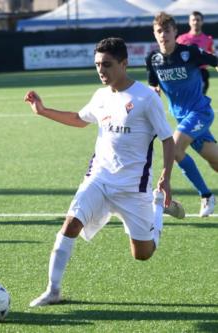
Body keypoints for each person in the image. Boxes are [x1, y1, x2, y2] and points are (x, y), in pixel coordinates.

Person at [25, 37, 184, 307]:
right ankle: (53, 290)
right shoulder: (100, 96)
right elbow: (79, 119)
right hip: (98, 179)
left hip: (134, 188)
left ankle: (158, 207)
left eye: (107, 64)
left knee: (142, 254)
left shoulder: (146, 98)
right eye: (98, 64)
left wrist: (165, 179)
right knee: (70, 224)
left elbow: (168, 139)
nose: (101, 70)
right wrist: (42, 111)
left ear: (124, 63)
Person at [147, 12, 218, 217]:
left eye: (167, 30)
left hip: (200, 112)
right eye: (159, 31)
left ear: (175, 32)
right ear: (154, 33)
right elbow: (153, 83)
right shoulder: (153, 59)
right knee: (215, 162)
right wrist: (153, 91)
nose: (163, 35)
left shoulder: (190, 52)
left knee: (175, 148)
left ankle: (206, 196)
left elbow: (214, 60)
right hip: (182, 117)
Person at [176, 11, 215, 95]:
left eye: (198, 20)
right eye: (193, 20)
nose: (195, 22)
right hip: (185, 73)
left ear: (202, 22)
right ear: (189, 22)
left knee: (200, 98)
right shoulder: (181, 39)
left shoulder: (208, 39)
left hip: (202, 73)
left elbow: (211, 55)